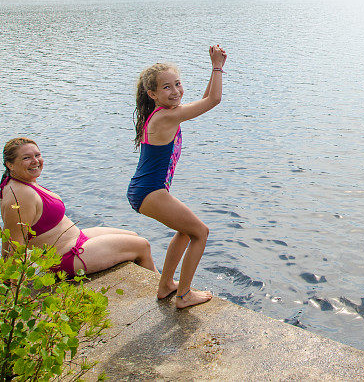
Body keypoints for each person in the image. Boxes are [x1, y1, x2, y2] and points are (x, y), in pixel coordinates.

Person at [127, 45, 226, 308]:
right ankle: (183, 295)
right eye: (167, 87)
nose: (176, 91)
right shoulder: (166, 118)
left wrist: (212, 70)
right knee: (200, 233)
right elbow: (214, 100)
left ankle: (166, 285)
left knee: (185, 231)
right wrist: (217, 67)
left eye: (178, 84)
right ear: (153, 94)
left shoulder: (165, 114)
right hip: (150, 191)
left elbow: (205, 100)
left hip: (148, 190)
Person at [1, 137, 157, 277]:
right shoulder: (20, 195)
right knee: (142, 246)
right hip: (66, 257)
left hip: (75, 240)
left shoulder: (23, 182)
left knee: (133, 236)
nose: (35, 161)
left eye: (37, 155)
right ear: (10, 164)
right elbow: (15, 245)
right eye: (26, 158)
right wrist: (12, 289)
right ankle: (162, 288)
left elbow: (10, 236)